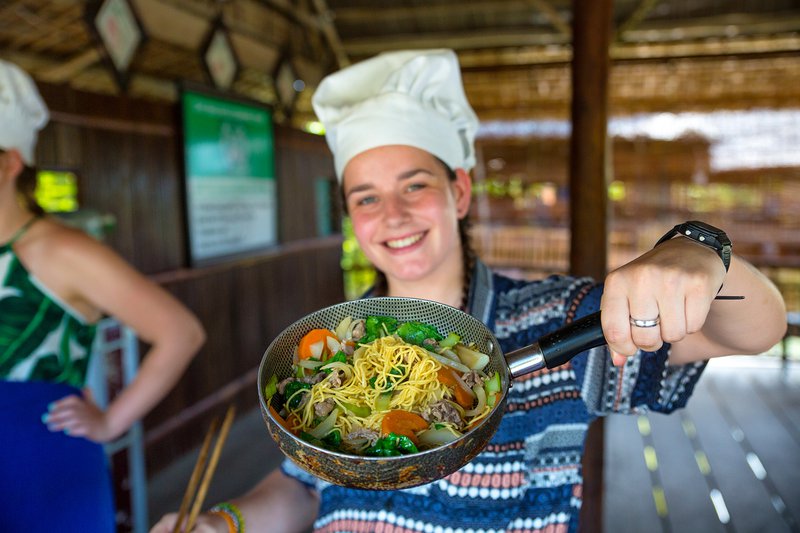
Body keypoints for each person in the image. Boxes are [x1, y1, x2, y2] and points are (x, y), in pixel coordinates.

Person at [151, 49, 786, 533]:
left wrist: (699, 251)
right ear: (351, 216)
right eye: (365, 198)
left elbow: (757, 331)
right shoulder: (334, 349)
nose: (393, 214)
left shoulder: (555, 321)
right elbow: (305, 485)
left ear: (458, 192)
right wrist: (221, 523)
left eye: (414, 185)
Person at [0, 59, 207, 532]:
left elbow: (180, 332)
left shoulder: (58, 250)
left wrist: (112, 423)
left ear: (10, 162)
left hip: (38, 467)